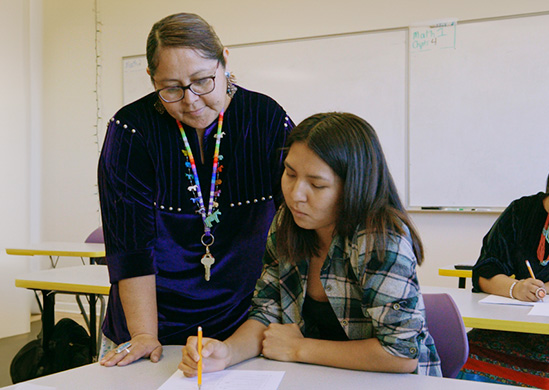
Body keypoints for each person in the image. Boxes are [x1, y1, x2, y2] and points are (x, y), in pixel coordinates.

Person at [178, 112, 441, 376]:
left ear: (353, 187)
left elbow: (400, 355)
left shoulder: (380, 239)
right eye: (290, 174)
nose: (295, 195)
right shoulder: (287, 222)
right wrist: (227, 353)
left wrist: (298, 349)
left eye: (316, 184)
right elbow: (267, 312)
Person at [97, 13, 293, 366]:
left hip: (243, 327)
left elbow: (296, 224)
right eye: (171, 88)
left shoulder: (265, 119)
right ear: (151, 79)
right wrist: (143, 334)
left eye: (203, 80)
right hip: (151, 323)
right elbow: (130, 246)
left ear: (225, 62)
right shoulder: (132, 131)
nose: (190, 100)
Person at [460, 150, 549, 389]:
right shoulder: (520, 212)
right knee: (460, 362)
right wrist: (515, 288)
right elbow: (485, 270)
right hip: (509, 325)